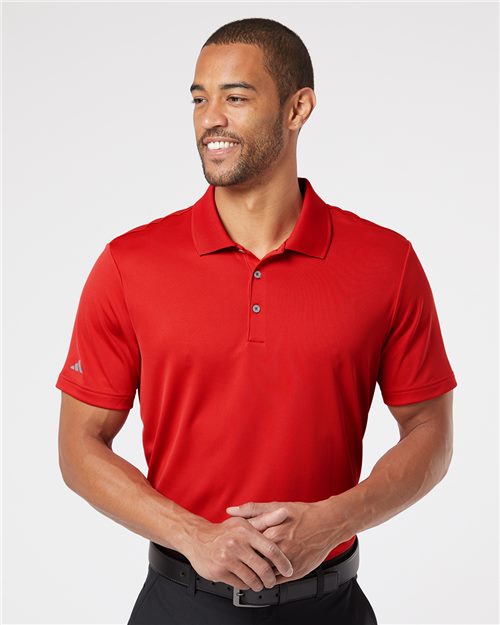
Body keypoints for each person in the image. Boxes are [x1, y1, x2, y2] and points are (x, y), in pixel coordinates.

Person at [56, 17, 457, 625]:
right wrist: (192, 534)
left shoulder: (386, 262)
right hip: (179, 606)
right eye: (199, 99)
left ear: (298, 109)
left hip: (331, 607)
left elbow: (430, 431)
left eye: (236, 98)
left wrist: (334, 519)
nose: (210, 119)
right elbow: (78, 445)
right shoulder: (129, 264)